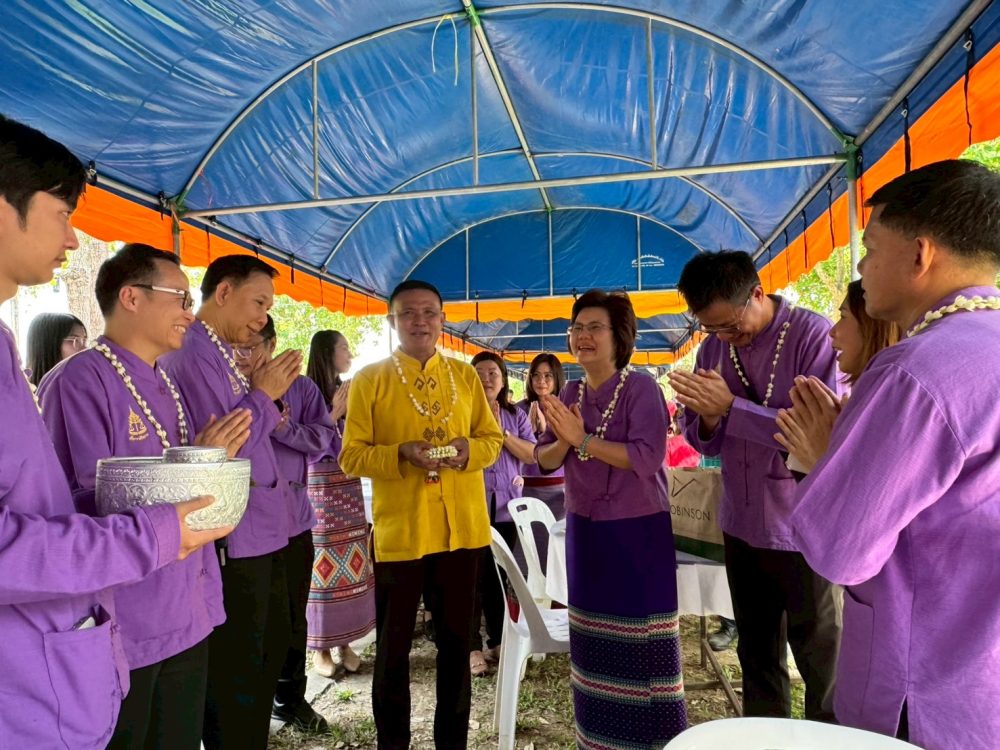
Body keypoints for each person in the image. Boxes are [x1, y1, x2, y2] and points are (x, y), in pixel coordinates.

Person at [0, 112, 227, 749]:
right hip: (84, 631)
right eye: (61, 213)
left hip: (142, 609)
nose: (74, 239)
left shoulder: (9, 346)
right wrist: (162, 524)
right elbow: (85, 499)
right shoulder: (80, 379)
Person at [789, 160, 1000, 750]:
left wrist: (826, 463)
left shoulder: (915, 369)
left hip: (919, 687)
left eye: (870, 250)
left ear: (920, 254)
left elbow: (841, 549)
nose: (862, 270)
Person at [38, 243, 253, 749]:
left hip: (188, 607)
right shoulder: (79, 380)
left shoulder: (164, 382)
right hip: (129, 621)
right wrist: (195, 463)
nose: (189, 313)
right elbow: (89, 503)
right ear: (131, 298)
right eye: (179, 298)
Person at [667, 250, 841, 720]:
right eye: (711, 329)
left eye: (730, 325)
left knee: (819, 654)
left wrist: (731, 408)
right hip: (740, 522)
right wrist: (708, 417)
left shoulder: (813, 336)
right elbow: (699, 435)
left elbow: (817, 433)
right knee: (757, 652)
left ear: (758, 294)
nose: (725, 337)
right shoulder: (712, 350)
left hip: (800, 525)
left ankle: (830, 737)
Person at [338, 279, 502, 750]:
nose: (420, 321)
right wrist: (400, 454)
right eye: (408, 312)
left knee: (457, 647)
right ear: (392, 321)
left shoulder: (465, 376)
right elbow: (351, 456)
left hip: (462, 532)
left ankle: (452, 743)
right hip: (401, 534)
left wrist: (468, 451)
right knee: (393, 650)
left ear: (443, 319)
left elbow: (491, 441)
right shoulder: (370, 379)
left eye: (429, 312)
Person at [160, 254, 305, 749]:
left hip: (265, 527)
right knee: (239, 670)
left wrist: (262, 393)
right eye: (258, 303)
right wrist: (264, 394)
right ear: (223, 292)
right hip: (234, 538)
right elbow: (221, 448)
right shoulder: (192, 352)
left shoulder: (219, 353)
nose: (264, 318)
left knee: (268, 652)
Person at [536, 289, 687, 748]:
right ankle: (598, 738)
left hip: (637, 532)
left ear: (620, 337)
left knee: (644, 646)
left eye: (594, 327)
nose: (583, 336)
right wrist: (566, 440)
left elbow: (646, 457)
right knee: (594, 644)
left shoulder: (641, 388)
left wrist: (581, 439)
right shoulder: (569, 391)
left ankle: (656, 742)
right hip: (586, 532)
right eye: (577, 328)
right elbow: (546, 459)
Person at [231, 316, 334, 732]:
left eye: (251, 347)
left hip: (293, 522)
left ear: (272, 345)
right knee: (252, 624)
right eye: (234, 348)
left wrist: (282, 426)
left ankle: (290, 699)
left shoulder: (301, 388)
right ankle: (249, 709)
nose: (242, 357)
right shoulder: (225, 387)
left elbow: (324, 440)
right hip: (243, 528)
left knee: (292, 618)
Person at [302, 329, 375, 678]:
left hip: (349, 482)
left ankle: (345, 643)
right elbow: (306, 442)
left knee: (352, 562)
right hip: (320, 485)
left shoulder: (349, 387)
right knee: (324, 565)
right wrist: (334, 412)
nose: (350, 353)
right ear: (327, 352)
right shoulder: (305, 390)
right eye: (344, 347)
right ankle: (319, 647)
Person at [774, 280, 899, 471]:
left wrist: (825, 458)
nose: (832, 331)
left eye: (843, 316)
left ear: (872, 325)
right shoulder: (859, 401)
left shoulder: (893, 405)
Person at [469, 351, 536, 676]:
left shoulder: (515, 415)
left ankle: (497, 639)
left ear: (503, 378)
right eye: (479, 373)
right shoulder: (462, 413)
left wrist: (502, 433)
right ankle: (472, 647)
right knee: (472, 577)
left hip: (507, 506)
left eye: (493, 373)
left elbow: (531, 453)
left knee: (499, 576)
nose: (486, 378)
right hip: (471, 505)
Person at [515, 353, 566, 520]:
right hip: (526, 486)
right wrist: (527, 433)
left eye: (547, 376)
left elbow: (570, 445)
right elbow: (513, 448)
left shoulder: (564, 408)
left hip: (559, 488)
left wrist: (546, 432)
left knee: (558, 534)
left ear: (557, 378)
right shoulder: (518, 410)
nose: (541, 381)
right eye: (536, 375)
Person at [26, 311, 87, 386]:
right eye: (75, 340)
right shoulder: (22, 390)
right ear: (48, 345)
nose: (85, 348)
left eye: (84, 340)